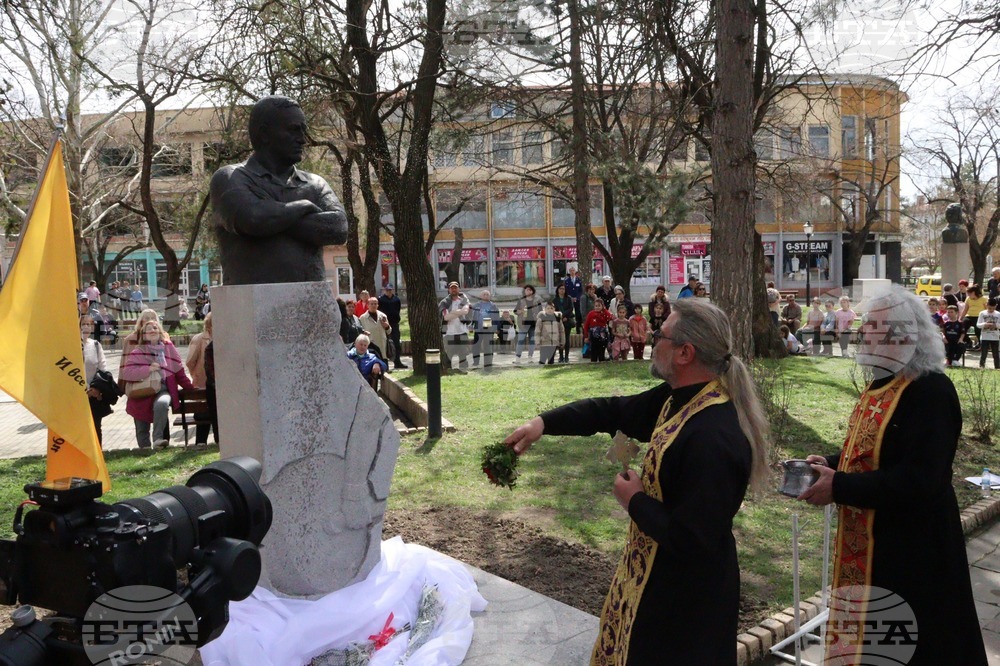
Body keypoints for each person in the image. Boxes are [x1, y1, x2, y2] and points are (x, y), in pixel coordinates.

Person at [503, 298, 770, 666]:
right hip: (655, 582)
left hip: (688, 608)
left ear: (684, 353)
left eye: (661, 334)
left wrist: (635, 501)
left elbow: (695, 541)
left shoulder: (713, 437)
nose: (652, 338)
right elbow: (613, 411)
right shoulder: (677, 399)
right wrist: (542, 424)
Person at [798, 287, 987, 665]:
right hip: (870, 544)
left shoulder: (930, 391)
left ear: (903, 334)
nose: (862, 332)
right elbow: (874, 453)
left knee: (913, 648)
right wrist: (833, 463)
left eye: (872, 326)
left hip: (912, 552)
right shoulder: (881, 382)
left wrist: (839, 486)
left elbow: (921, 479)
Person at [210, 95, 348, 285]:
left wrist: (273, 218)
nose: (302, 139)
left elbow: (338, 228)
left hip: (310, 300)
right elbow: (252, 218)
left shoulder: (315, 183)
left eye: (303, 130)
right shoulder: (230, 178)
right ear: (264, 134)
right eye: (293, 130)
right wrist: (303, 206)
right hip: (251, 302)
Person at [121, 318, 194, 451]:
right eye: (148, 329)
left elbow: (179, 371)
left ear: (160, 332)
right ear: (143, 335)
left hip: (162, 389)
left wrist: (190, 388)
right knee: (141, 427)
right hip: (141, 392)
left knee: (162, 404)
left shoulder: (168, 348)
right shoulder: (137, 352)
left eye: (155, 328)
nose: (152, 330)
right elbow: (127, 373)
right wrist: (147, 369)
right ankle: (144, 451)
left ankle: (158, 440)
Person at [81, 315, 111, 445]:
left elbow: (102, 368)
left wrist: (96, 388)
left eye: (89, 324)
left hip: (94, 394)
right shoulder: (70, 345)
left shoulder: (95, 345)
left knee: (96, 426)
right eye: (83, 324)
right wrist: (85, 388)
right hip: (78, 394)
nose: (86, 327)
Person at [186, 313, 215, 445]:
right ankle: (200, 443)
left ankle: (217, 442)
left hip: (217, 386)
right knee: (202, 415)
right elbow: (190, 361)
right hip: (202, 383)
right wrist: (196, 376)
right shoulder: (199, 339)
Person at [439, 282, 470, 369]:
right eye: (452, 288)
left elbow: (466, 311)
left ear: (458, 289)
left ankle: (463, 370)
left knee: (463, 353)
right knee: (449, 354)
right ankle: (448, 371)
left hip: (462, 331)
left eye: (455, 287)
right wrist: (459, 312)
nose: (454, 289)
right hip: (449, 332)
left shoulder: (464, 300)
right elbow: (446, 317)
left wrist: (453, 312)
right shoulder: (444, 302)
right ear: (449, 290)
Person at [378, 284, 407, 369]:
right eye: (387, 290)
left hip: (394, 324)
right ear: (385, 291)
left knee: (396, 343)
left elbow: (398, 309)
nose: (389, 292)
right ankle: (385, 363)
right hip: (384, 324)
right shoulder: (381, 300)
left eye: (390, 290)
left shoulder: (396, 299)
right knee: (385, 344)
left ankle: (397, 362)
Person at [470, 289, 500, 367]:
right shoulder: (476, 305)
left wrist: (496, 328)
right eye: (484, 294)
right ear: (480, 296)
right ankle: (476, 362)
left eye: (487, 294)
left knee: (489, 346)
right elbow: (472, 316)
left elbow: (497, 317)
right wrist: (470, 326)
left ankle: (488, 362)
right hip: (478, 328)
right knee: (476, 346)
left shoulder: (493, 306)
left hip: (489, 329)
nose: (486, 296)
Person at [513, 284, 543, 363]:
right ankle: (518, 357)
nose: (528, 291)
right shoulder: (521, 300)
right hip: (523, 323)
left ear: (533, 291)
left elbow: (541, 311)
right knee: (521, 340)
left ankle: (530, 357)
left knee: (532, 340)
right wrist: (519, 311)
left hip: (534, 323)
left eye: (530, 290)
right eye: (527, 290)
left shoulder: (537, 300)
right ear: (524, 291)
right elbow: (515, 311)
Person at [360, 297, 392, 362]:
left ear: (378, 305)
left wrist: (387, 326)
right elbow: (360, 333)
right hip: (370, 347)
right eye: (371, 304)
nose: (374, 305)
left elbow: (389, 331)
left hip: (382, 346)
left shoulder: (383, 316)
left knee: (384, 368)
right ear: (367, 305)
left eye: (375, 304)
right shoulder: (362, 318)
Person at [551, 284, 575, 363]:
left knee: (566, 339)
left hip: (567, 320)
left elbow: (571, 309)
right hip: (559, 321)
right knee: (560, 339)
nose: (562, 290)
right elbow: (553, 310)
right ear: (558, 290)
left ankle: (567, 356)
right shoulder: (555, 300)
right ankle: (561, 356)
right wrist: (560, 317)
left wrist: (565, 316)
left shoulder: (568, 298)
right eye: (560, 289)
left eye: (563, 289)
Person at [961, 283, 987, 349]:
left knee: (977, 329)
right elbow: (965, 309)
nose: (968, 295)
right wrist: (961, 318)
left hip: (979, 316)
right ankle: (968, 342)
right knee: (961, 328)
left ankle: (981, 344)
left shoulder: (983, 299)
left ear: (973, 292)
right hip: (969, 316)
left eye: (969, 293)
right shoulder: (968, 299)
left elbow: (987, 309)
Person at [978, 298, 1000, 368]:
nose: (991, 310)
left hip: (995, 337)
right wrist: (984, 324)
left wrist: (995, 325)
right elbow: (978, 325)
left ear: (996, 306)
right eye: (990, 308)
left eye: (993, 308)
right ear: (986, 305)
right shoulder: (982, 313)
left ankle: (997, 368)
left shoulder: (998, 314)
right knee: (983, 354)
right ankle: (981, 367)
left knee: (996, 354)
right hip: (985, 337)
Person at [564, 265, 584, 333]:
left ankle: (578, 329)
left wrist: (577, 297)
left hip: (577, 300)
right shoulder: (566, 281)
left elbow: (580, 291)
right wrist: (570, 297)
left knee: (578, 314)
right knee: (569, 313)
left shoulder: (578, 280)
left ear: (575, 271)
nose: (572, 272)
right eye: (571, 270)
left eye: (573, 270)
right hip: (569, 300)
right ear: (569, 272)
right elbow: (565, 291)